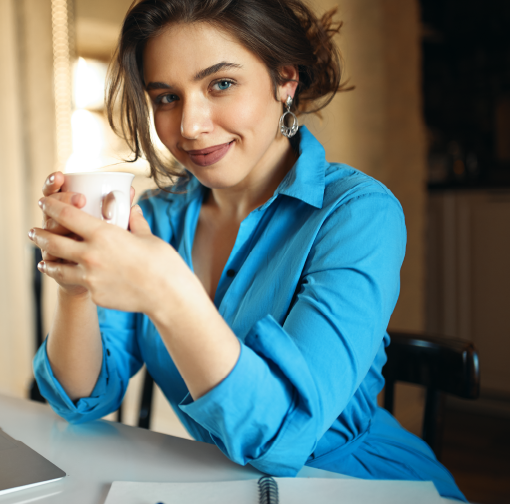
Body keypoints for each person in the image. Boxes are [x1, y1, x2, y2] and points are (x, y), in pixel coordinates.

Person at [28, 0, 465, 500]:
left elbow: (278, 440)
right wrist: (75, 288)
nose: (190, 125)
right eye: (167, 97)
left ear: (285, 79)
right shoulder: (157, 218)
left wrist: (167, 292)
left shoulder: (358, 213)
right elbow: (81, 399)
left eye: (220, 84)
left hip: (357, 485)